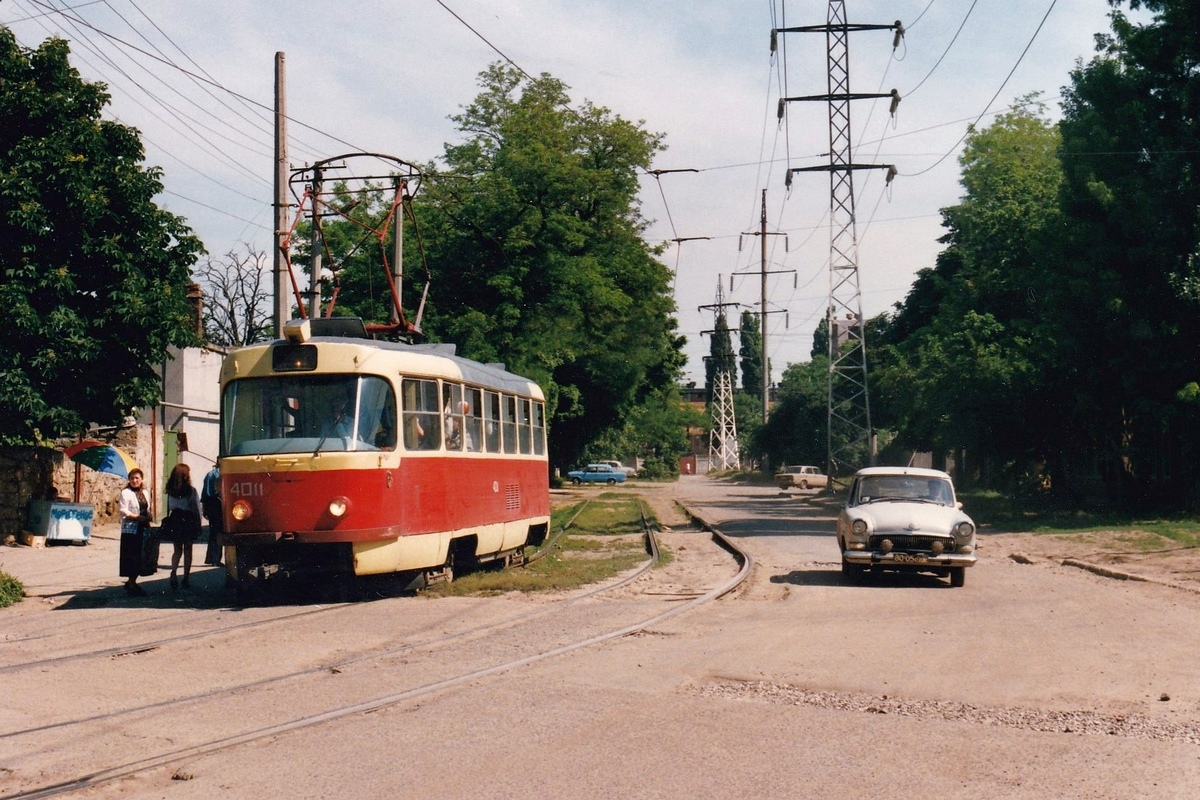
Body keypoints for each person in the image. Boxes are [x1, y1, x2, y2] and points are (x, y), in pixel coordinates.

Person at [164, 463, 202, 589]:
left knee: (177, 550)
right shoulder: (190, 491)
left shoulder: (170, 490)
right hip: (188, 519)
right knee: (188, 550)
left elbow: (169, 507)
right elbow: (196, 508)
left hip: (175, 519)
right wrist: (198, 523)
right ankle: (186, 577)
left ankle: (173, 573)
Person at [118, 468, 152, 596]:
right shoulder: (126, 493)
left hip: (143, 527)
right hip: (131, 529)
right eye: (132, 478)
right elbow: (123, 510)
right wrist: (137, 517)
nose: (134, 480)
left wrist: (148, 516)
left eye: (137, 478)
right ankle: (132, 583)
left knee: (141, 556)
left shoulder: (145, 492)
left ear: (141, 479)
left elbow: (147, 507)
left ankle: (132, 581)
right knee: (132, 556)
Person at [201, 464, 223, 566]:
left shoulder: (209, 475)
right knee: (219, 532)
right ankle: (215, 559)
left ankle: (210, 557)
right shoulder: (222, 474)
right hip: (219, 504)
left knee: (213, 532)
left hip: (210, 504)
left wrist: (204, 509)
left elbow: (205, 493)